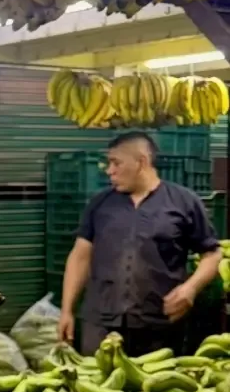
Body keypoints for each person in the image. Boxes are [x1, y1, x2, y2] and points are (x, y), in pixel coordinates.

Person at [58, 131, 221, 355]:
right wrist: (66, 310)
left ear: (141, 162)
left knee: (154, 377)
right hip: (100, 323)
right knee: (95, 376)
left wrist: (190, 288)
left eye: (116, 163)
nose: (109, 170)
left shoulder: (183, 202)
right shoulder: (100, 203)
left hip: (159, 325)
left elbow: (212, 254)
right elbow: (80, 257)